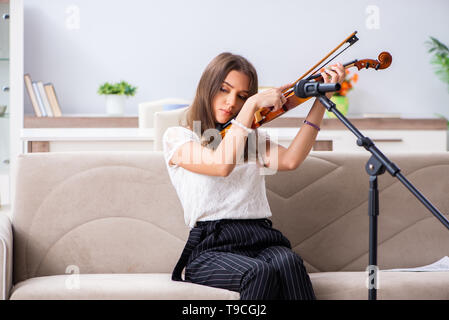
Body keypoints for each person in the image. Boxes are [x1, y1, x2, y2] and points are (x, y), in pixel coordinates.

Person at [162, 52, 345, 300]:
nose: (231, 102)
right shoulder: (180, 137)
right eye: (224, 90)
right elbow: (220, 165)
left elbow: (291, 160)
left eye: (242, 97)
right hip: (211, 246)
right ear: (207, 88)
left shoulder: (251, 141)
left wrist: (321, 102)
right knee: (259, 272)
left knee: (290, 263)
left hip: (260, 236)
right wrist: (251, 106)